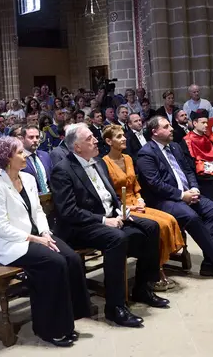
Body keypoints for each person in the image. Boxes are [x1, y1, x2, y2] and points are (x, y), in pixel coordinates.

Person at [50, 124, 168, 328]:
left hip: (108, 217)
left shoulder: (97, 162)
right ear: (77, 147)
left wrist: (122, 211)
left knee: (151, 227)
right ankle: (115, 307)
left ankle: (142, 288)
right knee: (117, 239)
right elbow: (69, 211)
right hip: (80, 227)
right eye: (89, 139)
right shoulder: (63, 170)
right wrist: (104, 220)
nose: (95, 140)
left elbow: (109, 195)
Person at [0, 136, 91, 346]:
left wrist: (45, 233)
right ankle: (47, 329)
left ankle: (70, 319)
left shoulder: (28, 179)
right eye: (19, 152)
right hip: (14, 245)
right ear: (7, 158)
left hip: (38, 237)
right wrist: (35, 238)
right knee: (55, 263)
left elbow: (38, 211)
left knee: (71, 258)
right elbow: (1, 228)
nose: (24, 155)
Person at [137, 116, 213, 279]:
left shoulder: (174, 147)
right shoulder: (146, 154)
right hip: (164, 200)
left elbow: (189, 170)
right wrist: (182, 195)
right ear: (154, 132)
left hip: (187, 193)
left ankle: (209, 264)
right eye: (166, 126)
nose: (171, 129)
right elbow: (155, 184)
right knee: (192, 217)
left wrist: (194, 188)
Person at [102, 125, 185, 291]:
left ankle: (159, 265)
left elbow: (136, 185)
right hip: (122, 207)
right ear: (109, 141)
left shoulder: (128, 159)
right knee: (158, 226)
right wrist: (129, 208)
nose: (124, 139)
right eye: (119, 137)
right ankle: (156, 273)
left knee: (169, 219)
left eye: (124, 135)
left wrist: (140, 199)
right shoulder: (104, 163)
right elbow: (110, 195)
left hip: (137, 202)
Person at [19, 125, 51, 194]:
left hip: (50, 197)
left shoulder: (45, 155)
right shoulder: (18, 158)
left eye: (37, 137)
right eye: (31, 137)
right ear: (22, 139)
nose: (35, 140)